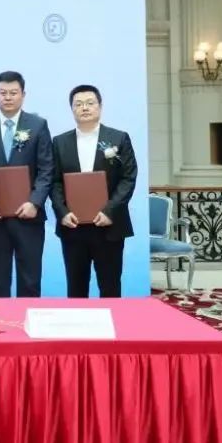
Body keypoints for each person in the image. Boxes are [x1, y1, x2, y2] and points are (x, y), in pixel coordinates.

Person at [50, 84, 137, 298]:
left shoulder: (119, 138)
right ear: (72, 109)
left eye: (90, 103)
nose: (84, 108)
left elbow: (128, 178)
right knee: (76, 288)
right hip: (73, 226)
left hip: (109, 225)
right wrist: (63, 212)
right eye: (78, 104)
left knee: (110, 287)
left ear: (100, 106)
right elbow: (54, 181)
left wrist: (109, 211)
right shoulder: (59, 142)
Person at [0, 71, 53, 297]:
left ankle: (28, 318)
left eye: (13, 93)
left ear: (23, 95)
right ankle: (1, 320)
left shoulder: (37, 125)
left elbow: (46, 168)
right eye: (3, 93)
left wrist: (34, 202)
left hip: (28, 217)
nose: (7, 97)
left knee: (30, 280)